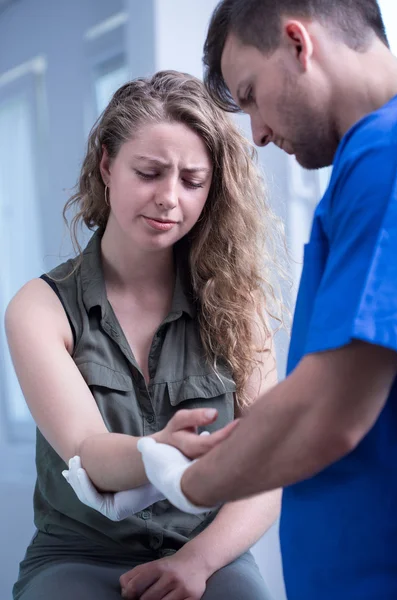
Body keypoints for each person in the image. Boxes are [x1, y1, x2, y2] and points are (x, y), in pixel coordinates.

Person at [136, 3, 397, 600]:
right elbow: (319, 388)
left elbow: (328, 413)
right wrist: (228, 448)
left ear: (297, 44)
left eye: (251, 94)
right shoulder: (367, 163)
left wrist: (188, 484)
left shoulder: (387, 159)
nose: (256, 133)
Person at [5, 70, 287, 600]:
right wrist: (157, 452)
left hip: (210, 555)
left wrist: (196, 562)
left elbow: (267, 471)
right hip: (79, 554)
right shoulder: (39, 307)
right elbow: (89, 453)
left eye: (191, 181)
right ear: (107, 165)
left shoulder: (238, 305)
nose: (168, 198)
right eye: (150, 172)